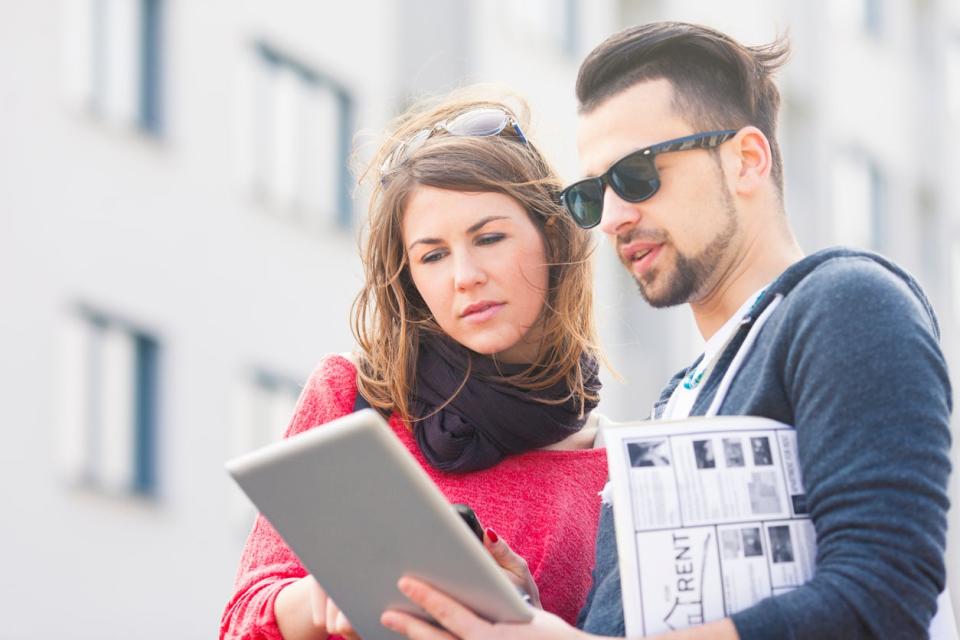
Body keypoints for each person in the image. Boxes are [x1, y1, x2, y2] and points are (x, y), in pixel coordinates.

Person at [381, 21, 952, 640]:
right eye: (595, 193)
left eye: (638, 176)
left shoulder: (843, 303)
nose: (614, 219)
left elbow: (881, 601)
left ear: (746, 159)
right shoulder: (683, 397)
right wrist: (526, 609)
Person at [219, 90, 610, 640]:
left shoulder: (611, 464)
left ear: (552, 236)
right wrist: (322, 596)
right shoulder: (356, 394)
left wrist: (526, 616)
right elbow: (240, 621)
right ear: (410, 279)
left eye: (489, 237)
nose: (464, 275)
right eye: (432, 255)